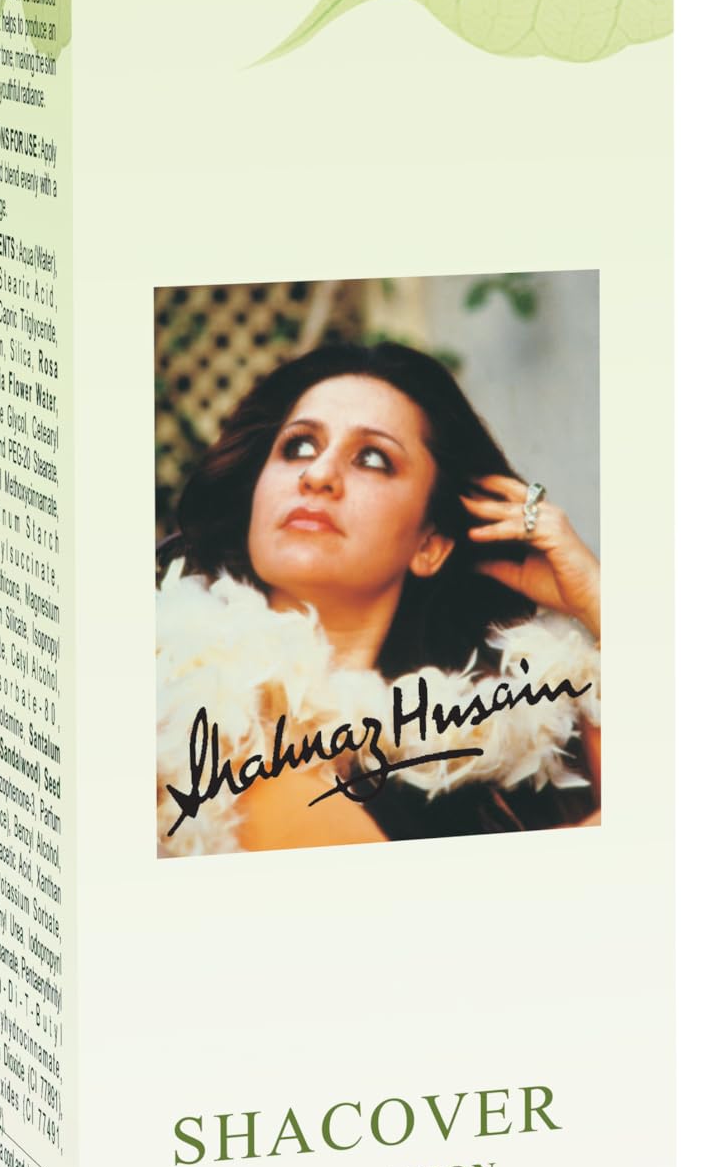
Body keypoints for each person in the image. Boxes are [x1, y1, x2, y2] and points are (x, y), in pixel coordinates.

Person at [154, 340, 602, 854]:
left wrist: (595, 599)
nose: (317, 475)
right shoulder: (160, 696)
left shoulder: (506, 746)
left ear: (429, 544)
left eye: (371, 458)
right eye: (298, 447)